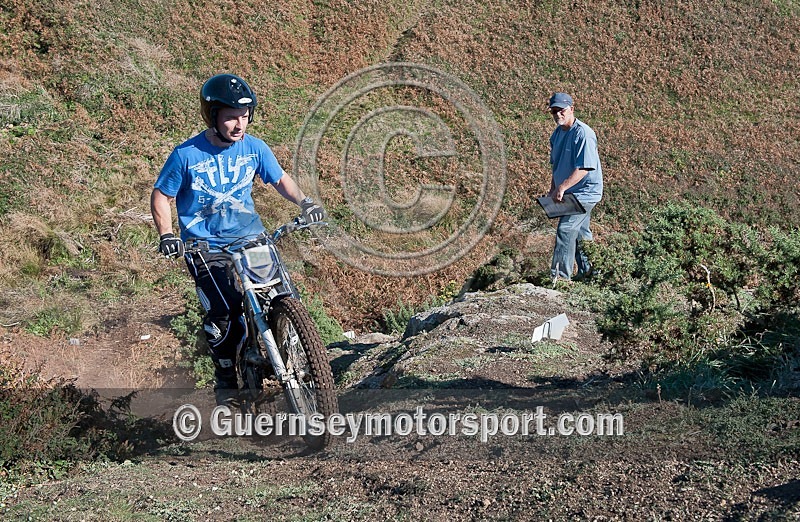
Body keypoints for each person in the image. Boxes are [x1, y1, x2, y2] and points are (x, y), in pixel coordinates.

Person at [150, 73, 325, 403]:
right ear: (212, 115)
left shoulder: (255, 147)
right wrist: (168, 234)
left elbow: (280, 179)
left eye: (244, 116)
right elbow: (161, 195)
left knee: (282, 292)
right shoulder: (186, 155)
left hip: (250, 238)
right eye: (231, 116)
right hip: (206, 247)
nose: (239, 124)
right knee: (225, 311)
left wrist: (305, 202)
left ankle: (294, 349)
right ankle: (227, 376)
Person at [545, 92, 603, 282]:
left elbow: (584, 167)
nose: (557, 115)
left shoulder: (584, 133)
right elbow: (557, 164)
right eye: (554, 111)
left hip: (586, 193)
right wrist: (553, 188)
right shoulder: (557, 134)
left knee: (566, 229)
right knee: (580, 233)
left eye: (561, 110)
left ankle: (559, 278)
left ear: (571, 108)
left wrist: (561, 187)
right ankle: (591, 274)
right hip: (570, 193)